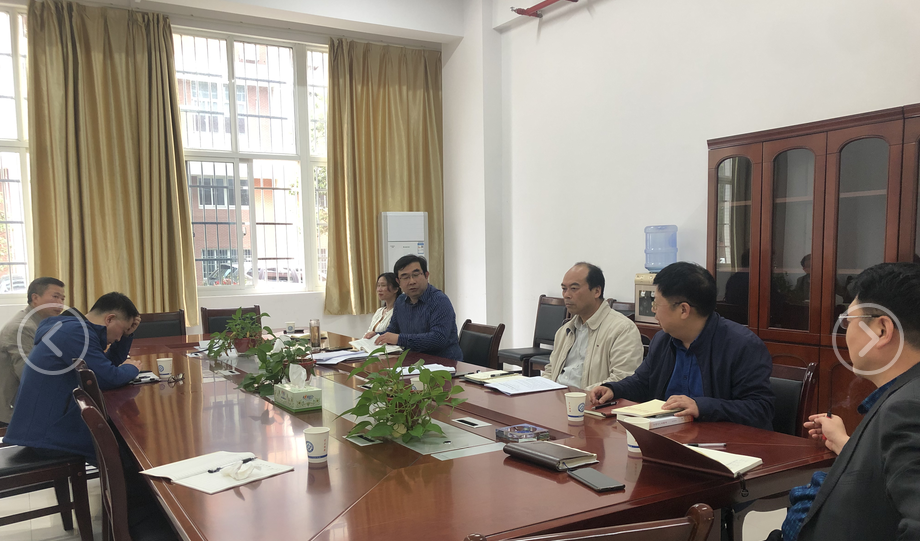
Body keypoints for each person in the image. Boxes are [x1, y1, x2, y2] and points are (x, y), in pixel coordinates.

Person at [772, 263, 920, 541]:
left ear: (881, 330)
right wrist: (844, 442)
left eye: (849, 321)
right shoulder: (904, 395)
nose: (845, 333)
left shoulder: (907, 409)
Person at [589, 261, 774, 430]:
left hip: (721, 443)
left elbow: (760, 409)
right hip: (668, 434)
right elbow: (642, 382)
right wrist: (613, 389)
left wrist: (701, 406)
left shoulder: (742, 345)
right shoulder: (663, 340)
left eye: (656, 304)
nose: (653, 311)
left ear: (683, 310)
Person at [4, 292, 143, 460]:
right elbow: (107, 378)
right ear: (110, 319)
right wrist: (132, 368)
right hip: (49, 434)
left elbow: (103, 367)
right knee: (132, 451)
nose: (119, 337)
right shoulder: (76, 332)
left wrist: (127, 336)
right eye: (122, 330)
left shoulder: (73, 328)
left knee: (125, 443)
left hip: (43, 427)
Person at [542, 263, 643, 389]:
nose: (566, 295)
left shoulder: (622, 330)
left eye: (574, 288)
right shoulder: (565, 330)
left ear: (596, 291)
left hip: (589, 399)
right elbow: (551, 371)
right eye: (564, 289)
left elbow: (622, 379)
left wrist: (578, 396)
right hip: (557, 396)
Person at [0, 277, 66, 425]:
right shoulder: (22, 328)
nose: (60, 304)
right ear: (35, 298)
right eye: (55, 297)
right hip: (12, 410)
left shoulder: (42, 324)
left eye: (62, 299)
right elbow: (30, 376)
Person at [375, 255, 463, 362]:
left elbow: (438, 339)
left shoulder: (439, 300)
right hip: (412, 362)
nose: (411, 281)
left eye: (416, 275)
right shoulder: (400, 301)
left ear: (426, 275)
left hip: (443, 364)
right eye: (405, 277)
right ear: (398, 282)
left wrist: (399, 339)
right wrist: (377, 336)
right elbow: (393, 330)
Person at [363, 272, 401, 339]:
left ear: (396, 289)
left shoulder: (398, 312)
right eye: (378, 285)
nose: (379, 290)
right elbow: (369, 332)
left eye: (383, 285)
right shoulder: (379, 311)